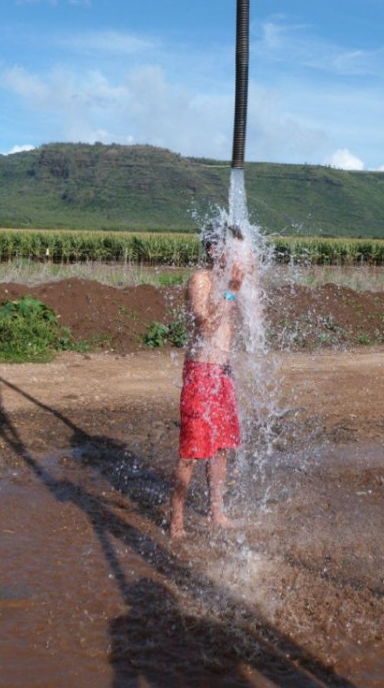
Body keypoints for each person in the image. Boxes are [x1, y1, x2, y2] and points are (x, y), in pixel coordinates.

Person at [169, 224, 245, 539]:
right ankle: (176, 521)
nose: (237, 255)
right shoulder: (201, 280)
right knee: (191, 451)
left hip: (223, 372)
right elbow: (206, 328)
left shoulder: (226, 280)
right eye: (232, 248)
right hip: (201, 372)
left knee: (222, 447)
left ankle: (216, 512)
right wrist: (232, 292)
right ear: (214, 249)